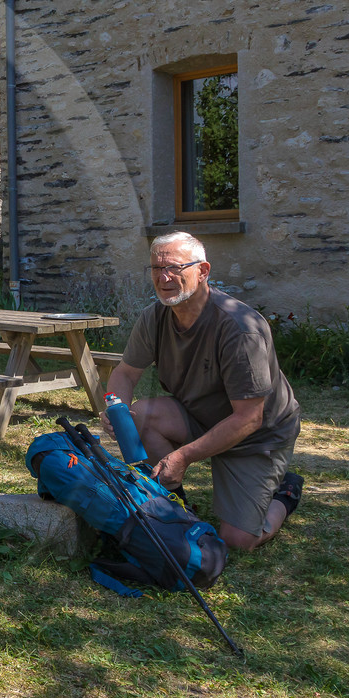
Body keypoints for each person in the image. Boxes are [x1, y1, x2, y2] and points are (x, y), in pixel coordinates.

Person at [104, 233, 303, 551]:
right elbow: (125, 373)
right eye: (156, 268)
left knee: (238, 541)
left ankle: (286, 492)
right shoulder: (154, 318)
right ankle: (174, 508)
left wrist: (183, 456)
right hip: (200, 416)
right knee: (140, 415)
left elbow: (250, 418)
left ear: (203, 270)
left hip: (257, 435)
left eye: (174, 268)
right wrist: (115, 408)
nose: (163, 278)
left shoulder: (239, 328)